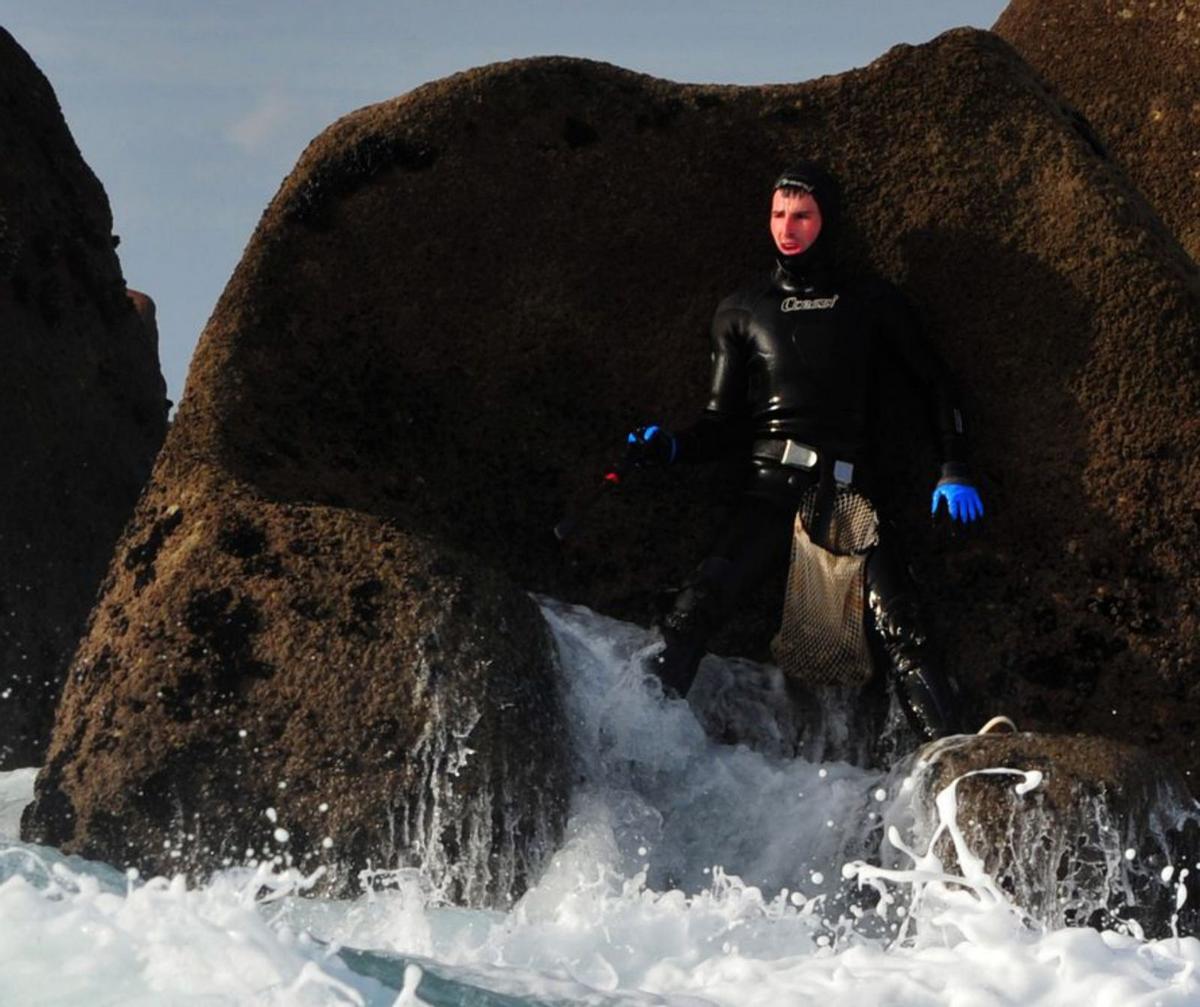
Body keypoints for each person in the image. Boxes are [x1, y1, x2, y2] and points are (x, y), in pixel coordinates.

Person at [626, 163, 983, 741]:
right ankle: (631, 740)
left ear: (827, 221)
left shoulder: (871, 301)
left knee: (903, 627)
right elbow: (721, 423)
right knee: (695, 609)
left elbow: (937, 386)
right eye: (778, 215)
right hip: (768, 488)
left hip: (845, 495)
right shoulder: (742, 310)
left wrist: (955, 467)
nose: (787, 228)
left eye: (802, 215)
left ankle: (956, 761)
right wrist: (671, 447)